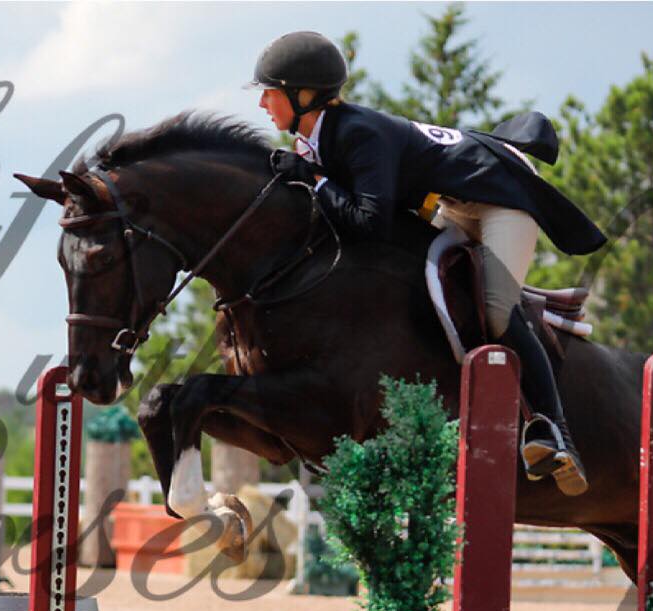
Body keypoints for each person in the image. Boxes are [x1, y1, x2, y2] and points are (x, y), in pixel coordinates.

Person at [249, 30, 607, 496]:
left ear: (304, 95)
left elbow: (369, 221)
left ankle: (553, 430)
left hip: (499, 198)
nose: (262, 105)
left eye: (269, 93)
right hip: (453, 202)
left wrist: (315, 181)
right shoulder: (315, 142)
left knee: (498, 309)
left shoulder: (357, 133)